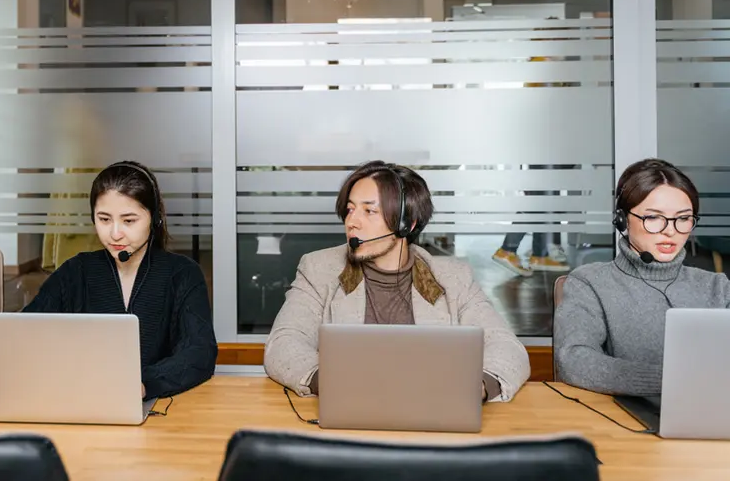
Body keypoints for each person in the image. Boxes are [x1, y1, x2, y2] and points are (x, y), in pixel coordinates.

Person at [264, 161, 530, 402]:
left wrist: (476, 387)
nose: (352, 222)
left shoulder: (453, 278)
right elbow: (284, 344)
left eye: (369, 211)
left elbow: (507, 348)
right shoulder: (319, 269)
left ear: (407, 224)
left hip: (432, 421)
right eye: (350, 210)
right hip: (349, 417)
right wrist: (332, 383)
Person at [23, 161, 217, 399]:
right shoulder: (75, 272)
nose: (115, 234)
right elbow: (26, 335)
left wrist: (144, 385)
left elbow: (199, 352)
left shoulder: (183, 274)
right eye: (104, 219)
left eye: (129, 221)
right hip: (81, 401)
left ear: (154, 218)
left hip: (159, 408)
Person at [555, 159, 730, 395]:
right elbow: (574, 361)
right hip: (621, 421)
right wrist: (673, 381)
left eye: (683, 218)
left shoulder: (717, 287)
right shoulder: (590, 283)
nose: (670, 230)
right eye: (654, 218)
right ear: (622, 220)